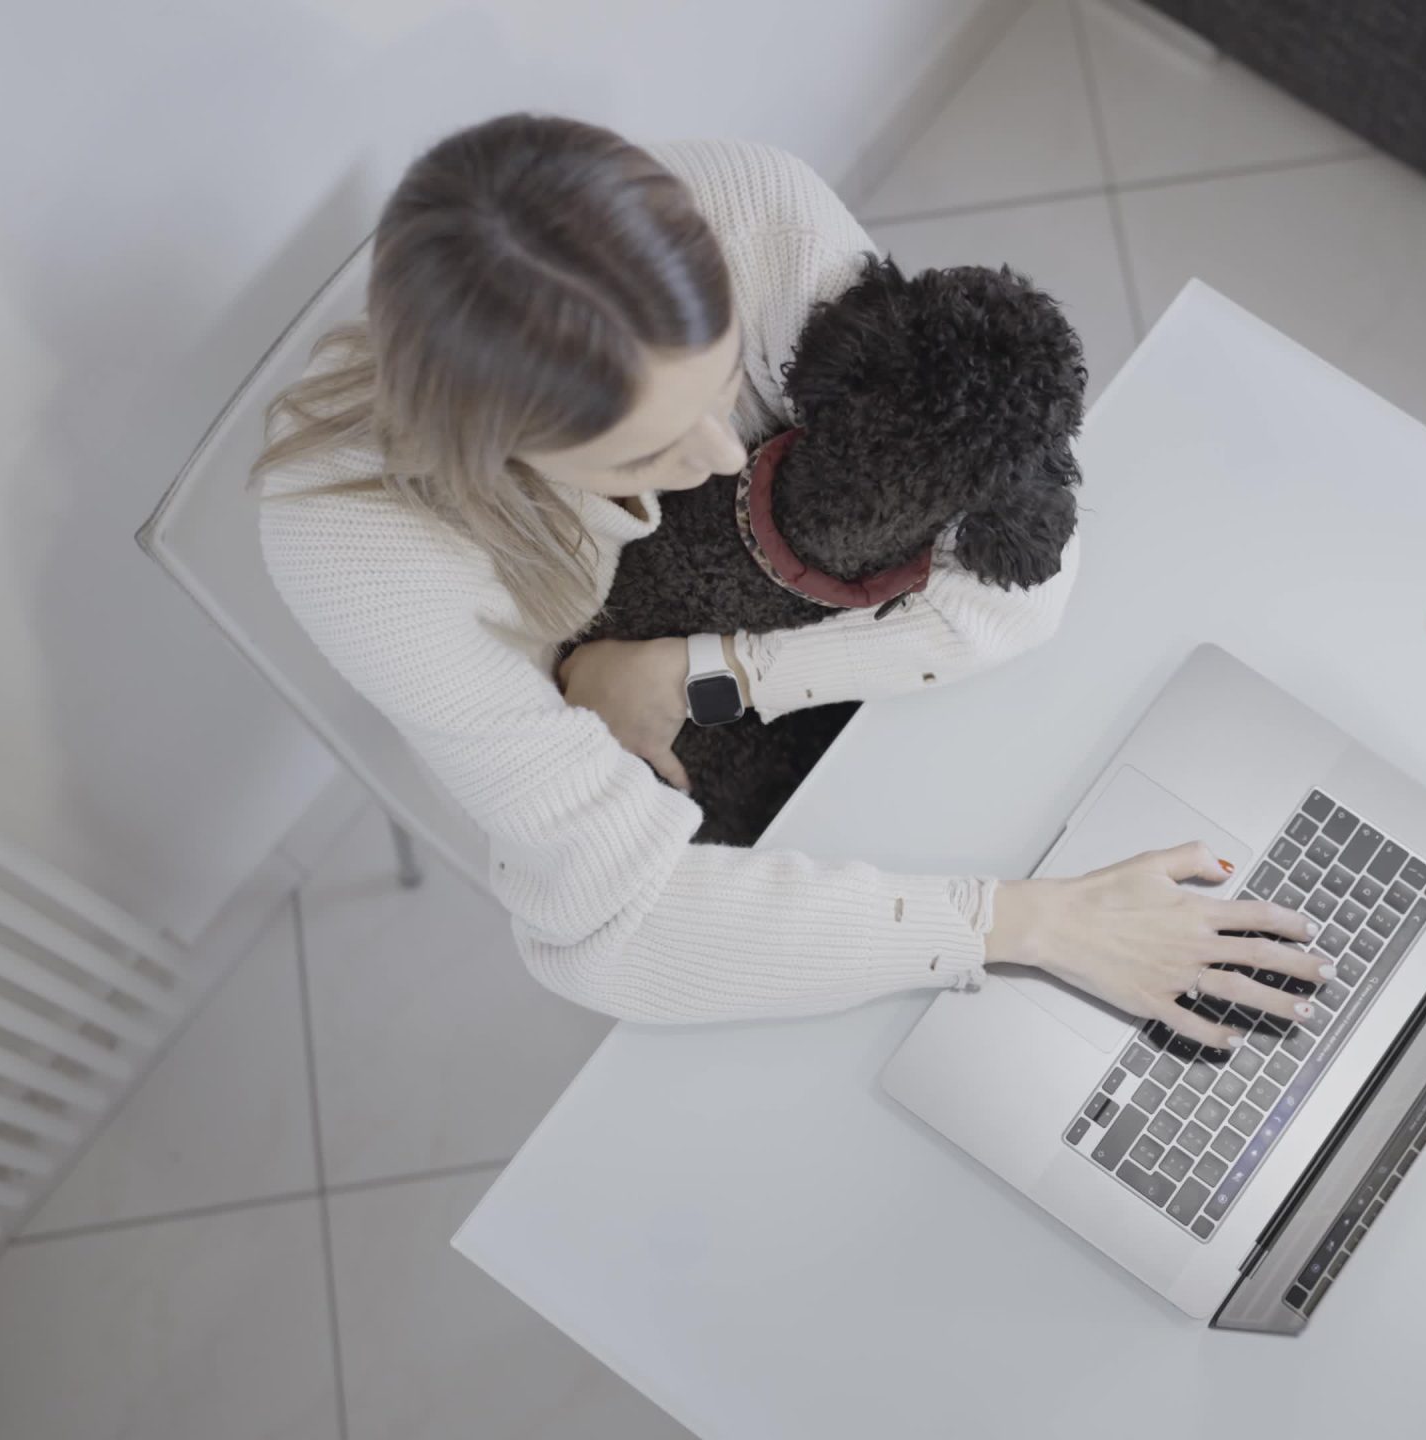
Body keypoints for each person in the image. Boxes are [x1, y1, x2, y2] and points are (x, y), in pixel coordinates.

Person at [256, 114, 1323, 1038]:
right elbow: (623, 936)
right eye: (644, 456)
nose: (723, 455)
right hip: (671, 804)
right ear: (492, 455)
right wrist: (1034, 924)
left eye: (723, 382)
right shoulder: (360, 549)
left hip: (816, 710)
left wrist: (707, 671)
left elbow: (1014, 578)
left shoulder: (745, 212)